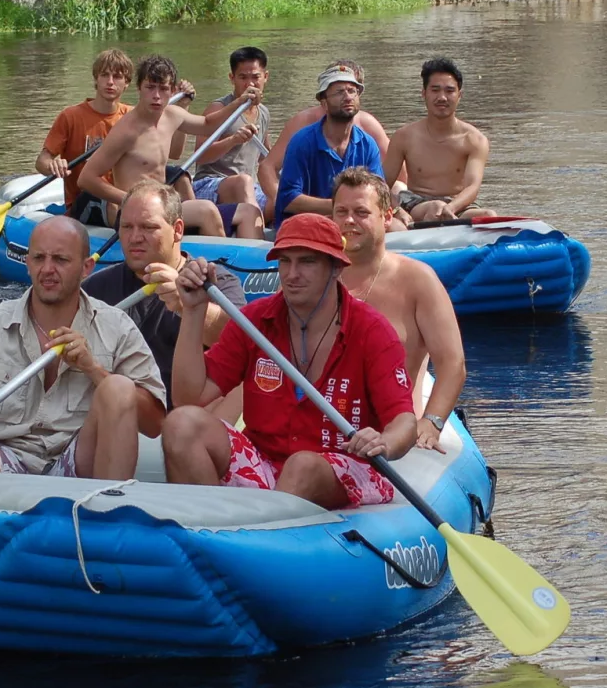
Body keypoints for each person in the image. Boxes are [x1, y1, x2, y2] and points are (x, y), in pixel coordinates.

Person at [161, 213, 419, 508]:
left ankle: (261, 543)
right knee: (180, 423)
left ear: (336, 267)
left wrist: (384, 442)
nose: (292, 273)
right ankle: (213, 537)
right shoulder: (254, 320)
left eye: (307, 261)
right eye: (285, 261)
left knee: (302, 466)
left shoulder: (372, 330)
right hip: (264, 460)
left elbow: (404, 421)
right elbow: (188, 397)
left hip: (346, 465)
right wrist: (193, 311)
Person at [0, 215, 166, 480]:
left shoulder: (117, 327)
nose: (47, 269)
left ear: (86, 268)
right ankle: (3, 518)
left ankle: (105, 514)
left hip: (78, 464)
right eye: (38, 258)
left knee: (118, 387)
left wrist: (92, 369)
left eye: (60, 260)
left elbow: (154, 424)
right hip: (1, 463)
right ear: (28, 264)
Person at [82, 180, 247, 414]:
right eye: (127, 227)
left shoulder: (217, 283)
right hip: (127, 417)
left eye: (148, 227)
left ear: (178, 229)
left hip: (194, 420)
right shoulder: (95, 289)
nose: (134, 237)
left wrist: (189, 307)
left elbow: (242, 343)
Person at [330, 168, 465, 451]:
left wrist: (432, 422)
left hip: (391, 432)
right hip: (320, 427)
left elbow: (452, 363)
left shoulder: (418, 281)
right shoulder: (314, 277)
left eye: (361, 212)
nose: (349, 221)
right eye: (341, 212)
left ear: (388, 217)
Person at [79, 55, 227, 236]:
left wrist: (241, 101)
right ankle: (215, 263)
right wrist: (127, 199)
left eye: (163, 89)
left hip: (159, 207)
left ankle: (208, 260)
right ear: (139, 88)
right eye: (150, 88)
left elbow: (208, 125)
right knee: (207, 211)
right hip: (133, 214)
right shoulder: (126, 130)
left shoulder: (172, 114)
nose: (156, 96)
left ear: (172, 91)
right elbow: (86, 178)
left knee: (203, 207)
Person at [273, 63, 403, 231]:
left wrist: (398, 211)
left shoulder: (367, 143)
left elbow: (378, 193)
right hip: (308, 223)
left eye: (352, 91)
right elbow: (288, 200)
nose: (348, 97)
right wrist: (339, 207)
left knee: (398, 228)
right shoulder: (302, 142)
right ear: (324, 103)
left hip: (352, 219)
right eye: (339, 92)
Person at [383, 57, 494, 223]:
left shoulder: (475, 140)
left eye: (449, 91)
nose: (442, 97)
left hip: (457, 204)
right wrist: (397, 210)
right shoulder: (404, 136)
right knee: (435, 207)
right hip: (415, 204)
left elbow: (472, 187)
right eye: (435, 90)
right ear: (424, 93)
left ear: (459, 96)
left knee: (489, 216)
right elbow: (382, 184)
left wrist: (451, 207)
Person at [187, 46, 271, 239]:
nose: (250, 83)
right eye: (243, 78)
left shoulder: (264, 113)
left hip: (248, 189)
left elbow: (267, 158)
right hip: (209, 184)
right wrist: (233, 140)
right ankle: (256, 246)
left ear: (265, 77)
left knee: (285, 193)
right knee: (244, 181)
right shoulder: (219, 108)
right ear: (232, 78)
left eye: (255, 77)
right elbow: (200, 155)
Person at [35, 49, 134, 212]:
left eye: (117, 77)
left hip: (122, 196)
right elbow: (41, 162)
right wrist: (53, 165)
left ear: (126, 83)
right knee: (112, 203)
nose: (110, 82)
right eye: (104, 75)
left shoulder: (132, 117)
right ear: (96, 79)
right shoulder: (70, 116)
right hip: (84, 200)